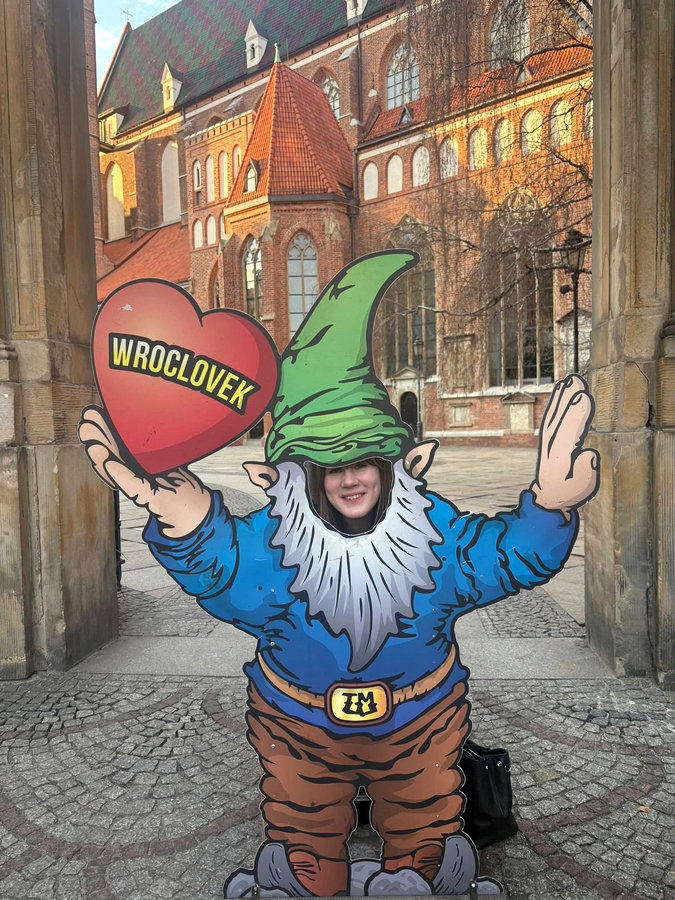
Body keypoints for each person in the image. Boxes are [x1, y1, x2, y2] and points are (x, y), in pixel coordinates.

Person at [80, 251, 599, 897]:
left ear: (402, 467)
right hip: (296, 726)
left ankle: (421, 875)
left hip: (420, 723)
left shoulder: (435, 536)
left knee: (424, 828)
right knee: (302, 832)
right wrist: (191, 524)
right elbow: (227, 572)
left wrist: (547, 507)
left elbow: (503, 557)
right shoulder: (272, 542)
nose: (350, 479)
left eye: (364, 462)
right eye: (329, 466)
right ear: (286, 479)